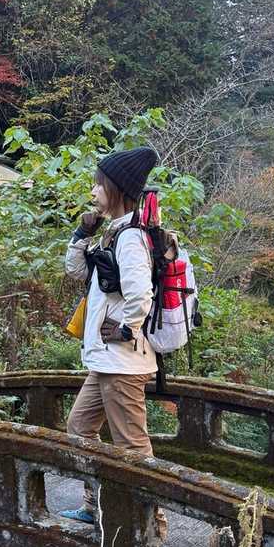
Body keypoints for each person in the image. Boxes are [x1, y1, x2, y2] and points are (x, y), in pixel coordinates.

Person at [58, 146, 160, 526]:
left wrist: (125, 330)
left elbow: (141, 295)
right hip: (106, 361)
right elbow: (77, 273)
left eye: (99, 184)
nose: (93, 190)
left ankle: (152, 528)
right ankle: (96, 505)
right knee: (80, 428)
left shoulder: (131, 238)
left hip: (123, 363)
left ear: (115, 188)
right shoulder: (112, 232)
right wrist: (83, 233)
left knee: (133, 448)